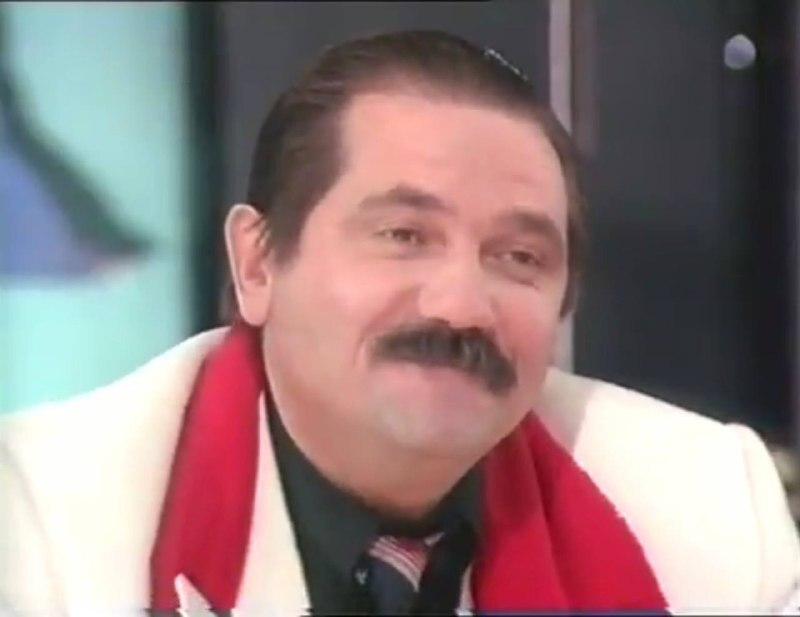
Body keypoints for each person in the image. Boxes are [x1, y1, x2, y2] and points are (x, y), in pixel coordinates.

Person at [2, 30, 799, 616]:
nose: (460, 305)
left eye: (519, 256)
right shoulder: (37, 524)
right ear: (257, 264)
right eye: (404, 236)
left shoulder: (711, 512)